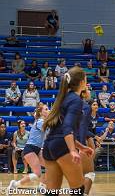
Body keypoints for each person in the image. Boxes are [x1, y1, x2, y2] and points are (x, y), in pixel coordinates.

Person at [42, 67, 93, 195]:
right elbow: (67, 127)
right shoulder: (76, 100)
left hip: (49, 146)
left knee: (52, 193)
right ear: (82, 82)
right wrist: (72, 150)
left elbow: (59, 131)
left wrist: (81, 147)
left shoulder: (63, 98)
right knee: (78, 190)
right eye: (86, 79)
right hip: (62, 146)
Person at [8, 104, 49, 191]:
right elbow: (50, 128)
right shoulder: (40, 121)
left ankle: (42, 185)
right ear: (41, 112)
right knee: (37, 173)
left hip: (38, 149)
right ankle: (15, 184)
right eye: (46, 109)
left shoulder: (42, 121)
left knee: (50, 166)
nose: (48, 110)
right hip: (30, 149)